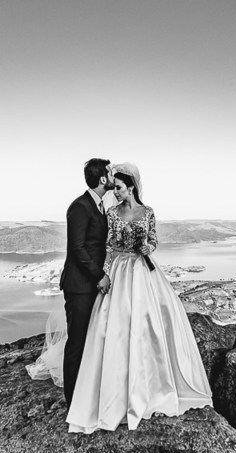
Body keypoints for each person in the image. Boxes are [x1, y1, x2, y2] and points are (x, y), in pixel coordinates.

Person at [65, 162, 213, 434]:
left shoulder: (148, 212)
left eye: (120, 188)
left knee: (149, 326)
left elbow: (154, 239)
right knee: (117, 328)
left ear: (131, 187)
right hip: (120, 272)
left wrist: (147, 246)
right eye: (114, 186)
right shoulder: (108, 212)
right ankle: (103, 395)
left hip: (144, 272)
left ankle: (152, 386)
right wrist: (104, 272)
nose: (116, 191)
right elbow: (106, 245)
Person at [50, 157, 115, 409]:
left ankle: (85, 392)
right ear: (101, 179)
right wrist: (99, 276)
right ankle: (72, 400)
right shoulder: (80, 206)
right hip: (79, 287)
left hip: (89, 286)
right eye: (109, 173)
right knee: (77, 342)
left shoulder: (97, 205)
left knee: (89, 340)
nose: (112, 177)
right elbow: (77, 248)